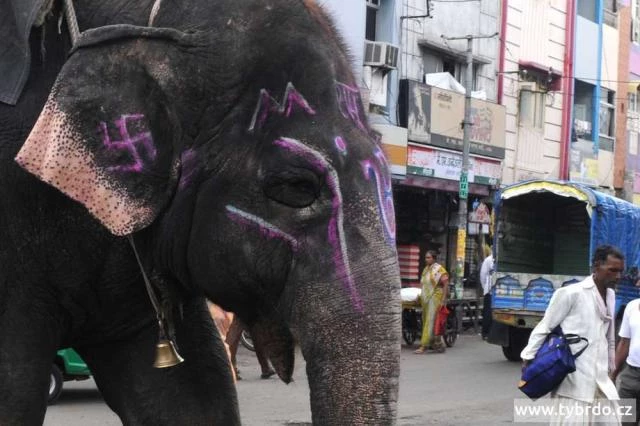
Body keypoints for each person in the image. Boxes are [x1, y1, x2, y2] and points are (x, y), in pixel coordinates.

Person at [520, 245, 624, 424]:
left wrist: (611, 367)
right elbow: (545, 326)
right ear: (597, 266)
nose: (617, 276)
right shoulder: (571, 293)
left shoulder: (611, 295)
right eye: (612, 270)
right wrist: (528, 357)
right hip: (573, 379)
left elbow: (609, 336)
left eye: (620, 271)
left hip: (601, 379)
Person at [611, 295, 640, 426]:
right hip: (630, 376)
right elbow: (624, 343)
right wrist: (613, 374)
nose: (638, 283)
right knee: (625, 421)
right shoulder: (632, 306)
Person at [415, 250, 449, 354]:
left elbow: (445, 284)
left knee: (430, 320)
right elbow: (423, 283)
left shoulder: (439, 269)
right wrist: (420, 295)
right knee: (426, 320)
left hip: (435, 296)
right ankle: (434, 342)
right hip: (425, 298)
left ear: (434, 258)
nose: (426, 259)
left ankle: (424, 345)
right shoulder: (425, 269)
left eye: (429, 257)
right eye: (426, 257)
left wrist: (443, 299)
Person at [479, 247, 494, 340]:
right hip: (489, 291)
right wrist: (485, 287)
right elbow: (483, 275)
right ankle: (485, 333)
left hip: (498, 291)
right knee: (488, 313)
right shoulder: (488, 260)